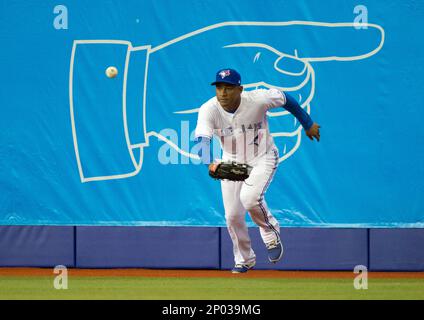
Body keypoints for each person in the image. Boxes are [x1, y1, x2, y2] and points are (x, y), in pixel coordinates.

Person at [194, 68, 320, 273]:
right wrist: (210, 161)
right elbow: (201, 140)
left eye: (228, 88)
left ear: (240, 89)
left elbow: (286, 99)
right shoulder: (209, 109)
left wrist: (307, 123)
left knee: (250, 198)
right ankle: (244, 259)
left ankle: (270, 234)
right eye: (219, 87)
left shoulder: (258, 99)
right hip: (231, 161)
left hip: (262, 157)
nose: (223, 93)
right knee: (233, 216)